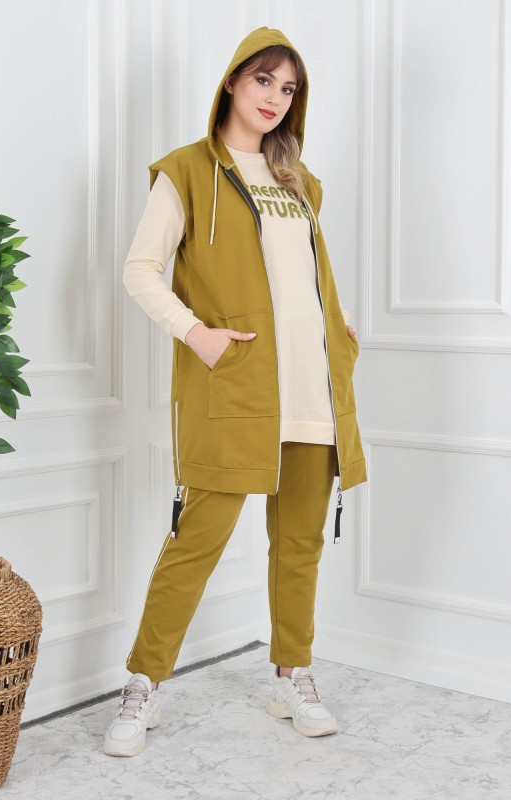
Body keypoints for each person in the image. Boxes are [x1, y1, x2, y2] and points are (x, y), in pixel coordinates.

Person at [103, 26, 367, 758]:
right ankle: (143, 685)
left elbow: (302, 274)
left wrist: (339, 322)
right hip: (237, 387)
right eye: (263, 80)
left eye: (289, 88)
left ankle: (293, 676)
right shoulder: (186, 171)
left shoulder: (299, 182)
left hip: (313, 389)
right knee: (196, 542)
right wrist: (196, 334)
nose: (275, 98)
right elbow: (140, 269)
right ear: (232, 81)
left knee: (300, 543)